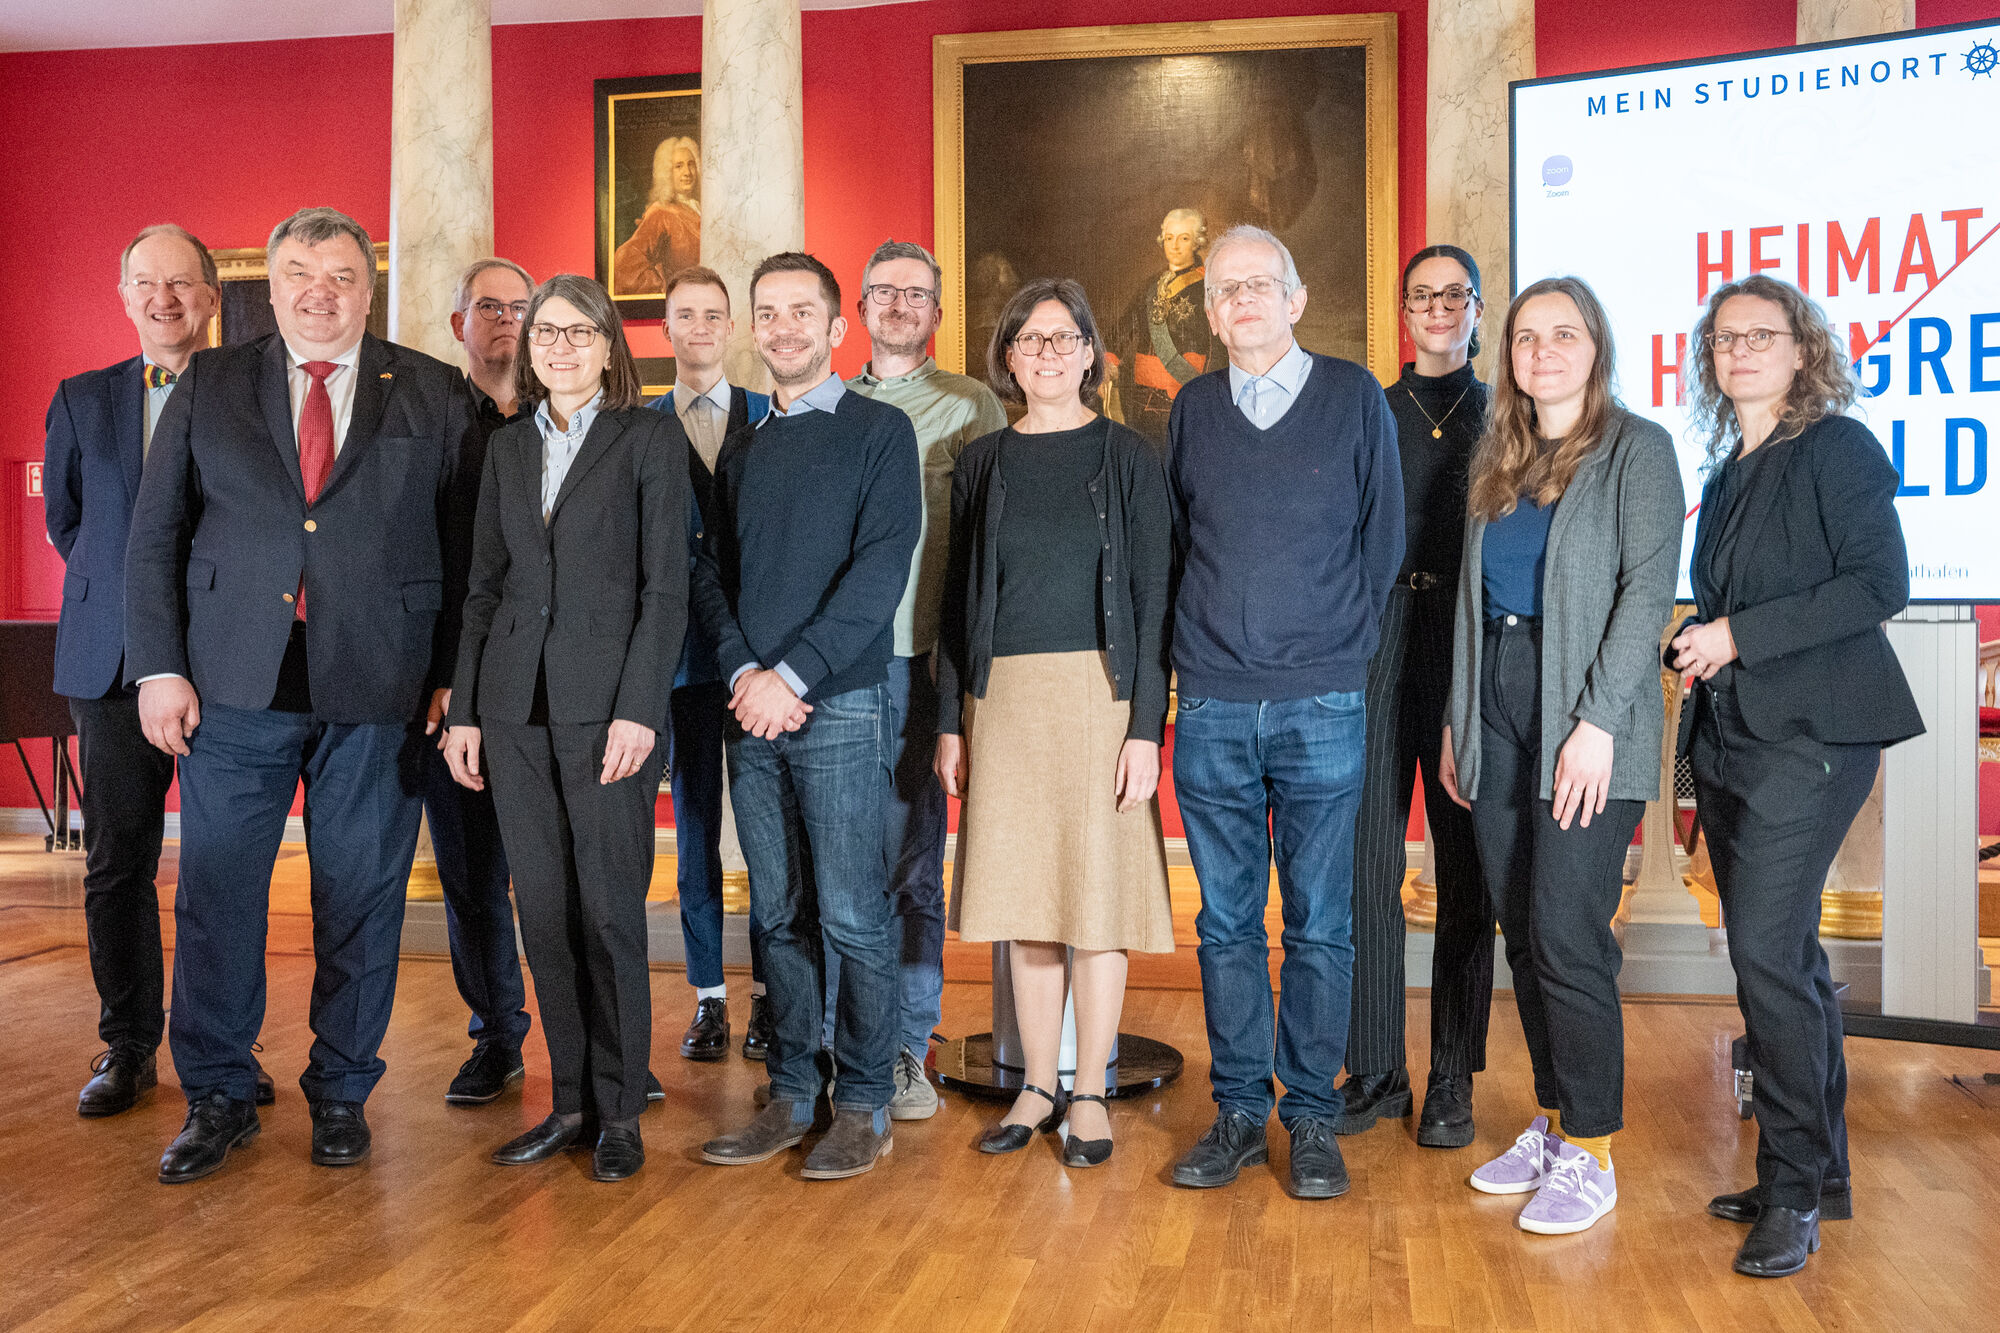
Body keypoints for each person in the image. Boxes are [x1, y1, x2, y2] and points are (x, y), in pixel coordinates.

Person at [125, 206, 477, 1183]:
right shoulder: (210, 381)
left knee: (360, 897)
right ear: (268, 286)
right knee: (219, 896)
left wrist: (454, 673)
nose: (317, 291)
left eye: (338, 274)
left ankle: (340, 1091)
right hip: (232, 687)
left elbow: (466, 556)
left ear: (369, 287)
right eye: (295, 273)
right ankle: (219, 1096)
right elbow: (156, 535)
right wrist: (160, 665)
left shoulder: (434, 392)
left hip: (381, 688)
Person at [1669, 274, 1922, 1278]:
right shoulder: (1731, 465)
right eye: (1723, 339)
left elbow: (1876, 583)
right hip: (1734, 735)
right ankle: (1820, 1172)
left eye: (1759, 335)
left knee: (1766, 959)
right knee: (1790, 963)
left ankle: (1787, 1191)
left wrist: (1735, 633)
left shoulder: (1836, 447)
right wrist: (1702, 634)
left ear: (1801, 349)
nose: (1738, 350)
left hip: (1812, 735)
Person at [1439, 275, 1683, 1236]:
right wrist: (1462, 718)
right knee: (1521, 925)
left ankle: (1593, 1147)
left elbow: (1643, 597)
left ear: (1598, 346)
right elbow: (1469, 600)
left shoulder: (1638, 450)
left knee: (1567, 930)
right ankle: (1553, 1117)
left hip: (1585, 710)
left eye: (1564, 333)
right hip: (1496, 696)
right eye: (1527, 336)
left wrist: (1599, 722)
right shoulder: (1498, 455)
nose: (1543, 350)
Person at [1165, 224, 1404, 1200]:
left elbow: (1381, 543)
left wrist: (1331, 653)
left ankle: (1308, 1116)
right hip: (1213, 702)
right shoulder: (1188, 409)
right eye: (1225, 289)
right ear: (1211, 310)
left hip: (1319, 700)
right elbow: (1178, 545)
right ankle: (1234, 1110)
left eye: (1260, 284)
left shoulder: (1352, 398)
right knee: (1223, 925)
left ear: (1297, 300)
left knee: (1317, 926)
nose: (1243, 301)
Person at [441, 274, 687, 1183]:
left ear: (610, 346)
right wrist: (465, 707)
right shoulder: (508, 448)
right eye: (546, 331)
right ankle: (571, 1100)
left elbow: (666, 590)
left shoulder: (647, 437)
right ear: (527, 344)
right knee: (541, 911)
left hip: (605, 714)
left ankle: (621, 1109)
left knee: (609, 911)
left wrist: (640, 709)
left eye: (581, 332)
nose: (560, 346)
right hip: (512, 710)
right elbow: (482, 589)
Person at [935, 278, 1174, 1167]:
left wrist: (1147, 724)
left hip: (1099, 697)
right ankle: (1036, 1084)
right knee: (1027, 900)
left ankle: (1089, 1090)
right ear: (1008, 358)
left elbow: (1155, 598)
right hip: (1002, 700)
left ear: (1090, 356)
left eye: (1062, 338)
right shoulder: (983, 462)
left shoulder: (1128, 457)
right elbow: (960, 600)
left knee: (1095, 900)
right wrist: (952, 718)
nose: (1044, 353)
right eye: (1028, 340)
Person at [694, 252, 920, 1181]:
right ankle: (794, 1090)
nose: (783, 328)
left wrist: (792, 675)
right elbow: (707, 574)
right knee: (778, 912)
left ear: (837, 329)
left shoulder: (879, 431)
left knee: (856, 915)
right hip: (752, 709)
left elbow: (880, 573)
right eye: (768, 313)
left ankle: (864, 1102)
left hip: (841, 701)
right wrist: (746, 670)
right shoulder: (742, 441)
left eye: (802, 313)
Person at [44, 224, 277, 1117]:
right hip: (106, 662)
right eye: (147, 283)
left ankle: (225, 1044)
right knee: (117, 862)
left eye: (183, 284)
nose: (165, 299)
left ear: (212, 298)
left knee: (226, 866)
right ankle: (128, 1043)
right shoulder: (81, 398)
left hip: (228, 658)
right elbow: (73, 526)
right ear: (124, 294)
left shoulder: (253, 395)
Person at [841, 239, 1007, 1118]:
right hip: (838, 666)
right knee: (836, 859)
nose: (901, 304)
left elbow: (988, 544)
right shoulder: (829, 403)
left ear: (938, 314)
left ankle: (908, 1042)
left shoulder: (972, 406)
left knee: (910, 865)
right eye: (885, 291)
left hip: (921, 666)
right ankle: (842, 1040)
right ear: (860, 308)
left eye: (918, 294)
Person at [1338, 245, 1493, 1148]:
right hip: (1377, 634)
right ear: (1403, 311)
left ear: (1476, 308)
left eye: (1453, 295)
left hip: (1468, 640)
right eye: (1421, 295)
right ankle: (1377, 1068)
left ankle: (1451, 1076)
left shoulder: (1505, 416)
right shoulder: (1370, 410)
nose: (1437, 308)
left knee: (1466, 866)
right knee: (1365, 861)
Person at [649, 264, 771, 1062]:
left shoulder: (771, 414)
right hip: (681, 662)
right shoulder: (638, 426)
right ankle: (709, 997)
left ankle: (772, 994)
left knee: (766, 835)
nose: (699, 326)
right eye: (684, 314)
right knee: (693, 831)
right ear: (667, 328)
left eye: (713, 314)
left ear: (731, 328)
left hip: (760, 661)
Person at [430, 257, 536, 1106]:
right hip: (447, 689)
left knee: (560, 872)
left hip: (546, 685)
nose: (504, 319)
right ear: (457, 321)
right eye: (488, 306)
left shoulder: (571, 414)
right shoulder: (423, 415)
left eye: (519, 307)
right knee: (470, 876)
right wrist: (443, 679)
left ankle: (595, 1041)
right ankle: (497, 1033)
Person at [1103, 208, 1217, 443]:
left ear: (1197, 242)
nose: (1174, 246)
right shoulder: (1151, 285)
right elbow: (1127, 325)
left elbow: (1219, 347)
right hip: (1141, 397)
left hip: (1184, 395)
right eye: (1169, 238)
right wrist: (1109, 357)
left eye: (1183, 238)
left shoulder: (1208, 288)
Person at [612, 136, 700, 296]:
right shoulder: (661, 212)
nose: (687, 172)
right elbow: (624, 264)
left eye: (691, 164)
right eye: (678, 166)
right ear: (666, 173)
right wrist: (666, 289)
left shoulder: (702, 208)